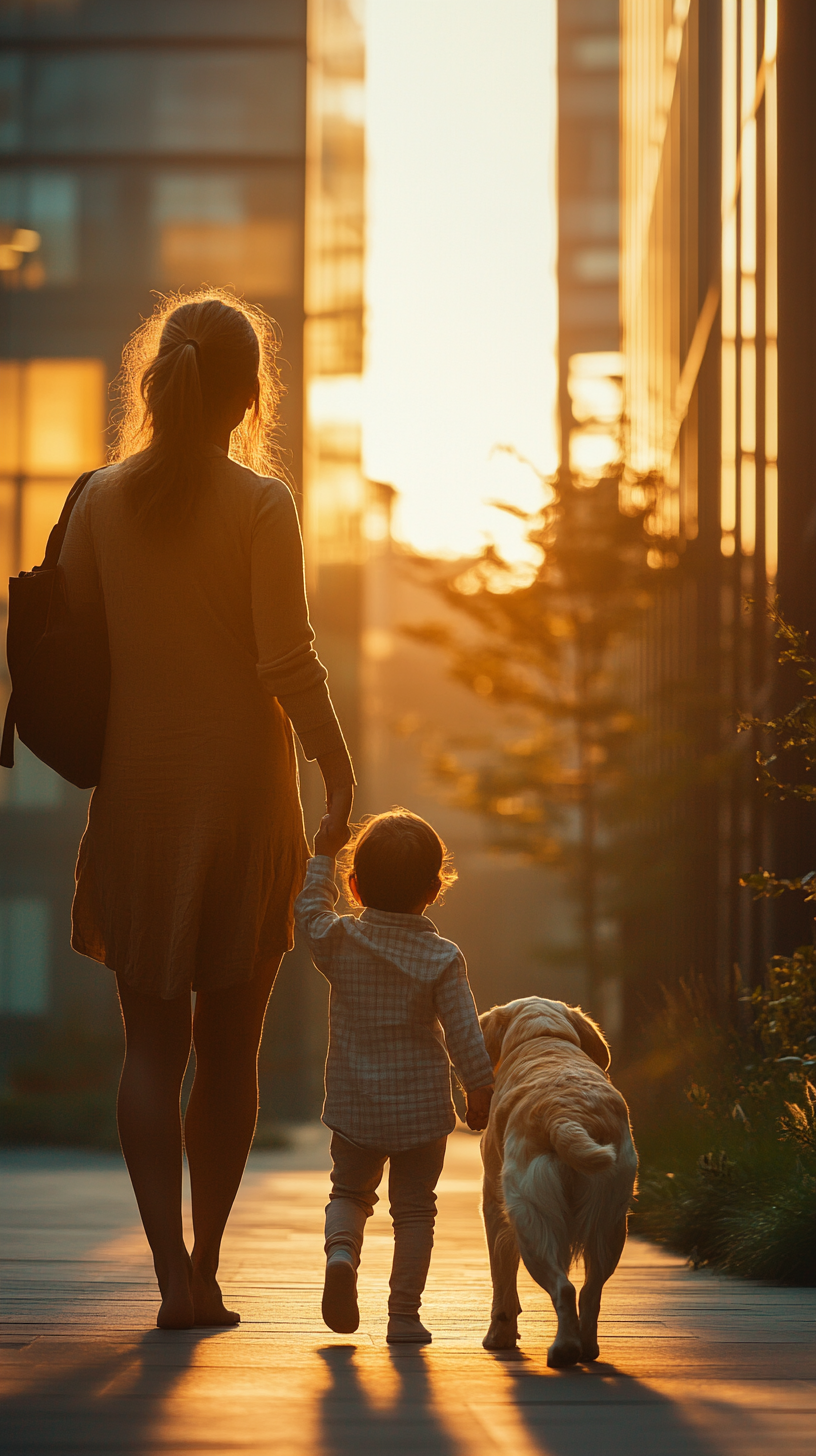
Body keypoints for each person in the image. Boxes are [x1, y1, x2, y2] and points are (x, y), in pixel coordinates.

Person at [59, 290, 354, 1330]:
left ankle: (168, 1276)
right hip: (243, 802)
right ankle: (208, 1265)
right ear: (248, 394)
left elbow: (82, 653)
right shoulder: (263, 506)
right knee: (232, 1049)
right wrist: (339, 770)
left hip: (137, 797)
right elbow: (288, 660)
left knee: (151, 1046)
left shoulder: (97, 501)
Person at [294, 807, 494, 1343]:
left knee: (349, 1193)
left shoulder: (339, 941)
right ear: (434, 889)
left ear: (355, 888)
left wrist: (322, 854)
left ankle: (342, 1254)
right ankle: (403, 1316)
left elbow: (309, 913)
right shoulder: (443, 957)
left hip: (355, 1104)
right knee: (414, 1213)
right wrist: (478, 1087)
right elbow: (463, 1033)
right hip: (422, 1112)